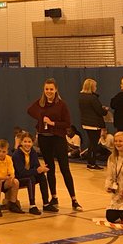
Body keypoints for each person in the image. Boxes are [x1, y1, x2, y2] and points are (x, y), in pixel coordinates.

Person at [27, 79, 81, 212]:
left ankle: (74, 199)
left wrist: (53, 123)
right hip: (44, 139)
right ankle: (54, 197)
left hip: (58, 138)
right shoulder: (40, 103)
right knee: (49, 168)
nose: (49, 92)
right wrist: (41, 118)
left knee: (64, 168)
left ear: (56, 90)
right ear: (43, 90)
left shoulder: (61, 105)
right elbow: (30, 110)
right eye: (46, 89)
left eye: (51, 89)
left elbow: (67, 123)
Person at [12, 131, 49, 214]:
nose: (27, 144)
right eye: (25, 141)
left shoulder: (33, 152)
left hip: (29, 174)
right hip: (18, 178)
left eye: (29, 142)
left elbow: (36, 166)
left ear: (32, 143)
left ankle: (46, 203)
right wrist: (36, 170)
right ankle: (32, 205)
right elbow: (21, 173)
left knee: (42, 176)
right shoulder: (17, 154)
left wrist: (41, 169)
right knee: (30, 179)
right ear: (21, 142)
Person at [0, 140, 22, 216]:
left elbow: (12, 172)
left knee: (15, 182)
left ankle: (13, 203)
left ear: (7, 151)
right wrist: (6, 178)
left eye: (3, 151)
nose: (1, 153)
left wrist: (11, 178)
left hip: (4, 180)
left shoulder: (9, 159)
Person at [78, 78, 109, 169]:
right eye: (95, 86)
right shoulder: (93, 98)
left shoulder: (81, 97)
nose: (96, 88)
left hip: (85, 123)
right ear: (92, 87)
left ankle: (90, 162)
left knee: (91, 143)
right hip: (94, 124)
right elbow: (100, 111)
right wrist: (105, 110)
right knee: (93, 144)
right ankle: (92, 163)